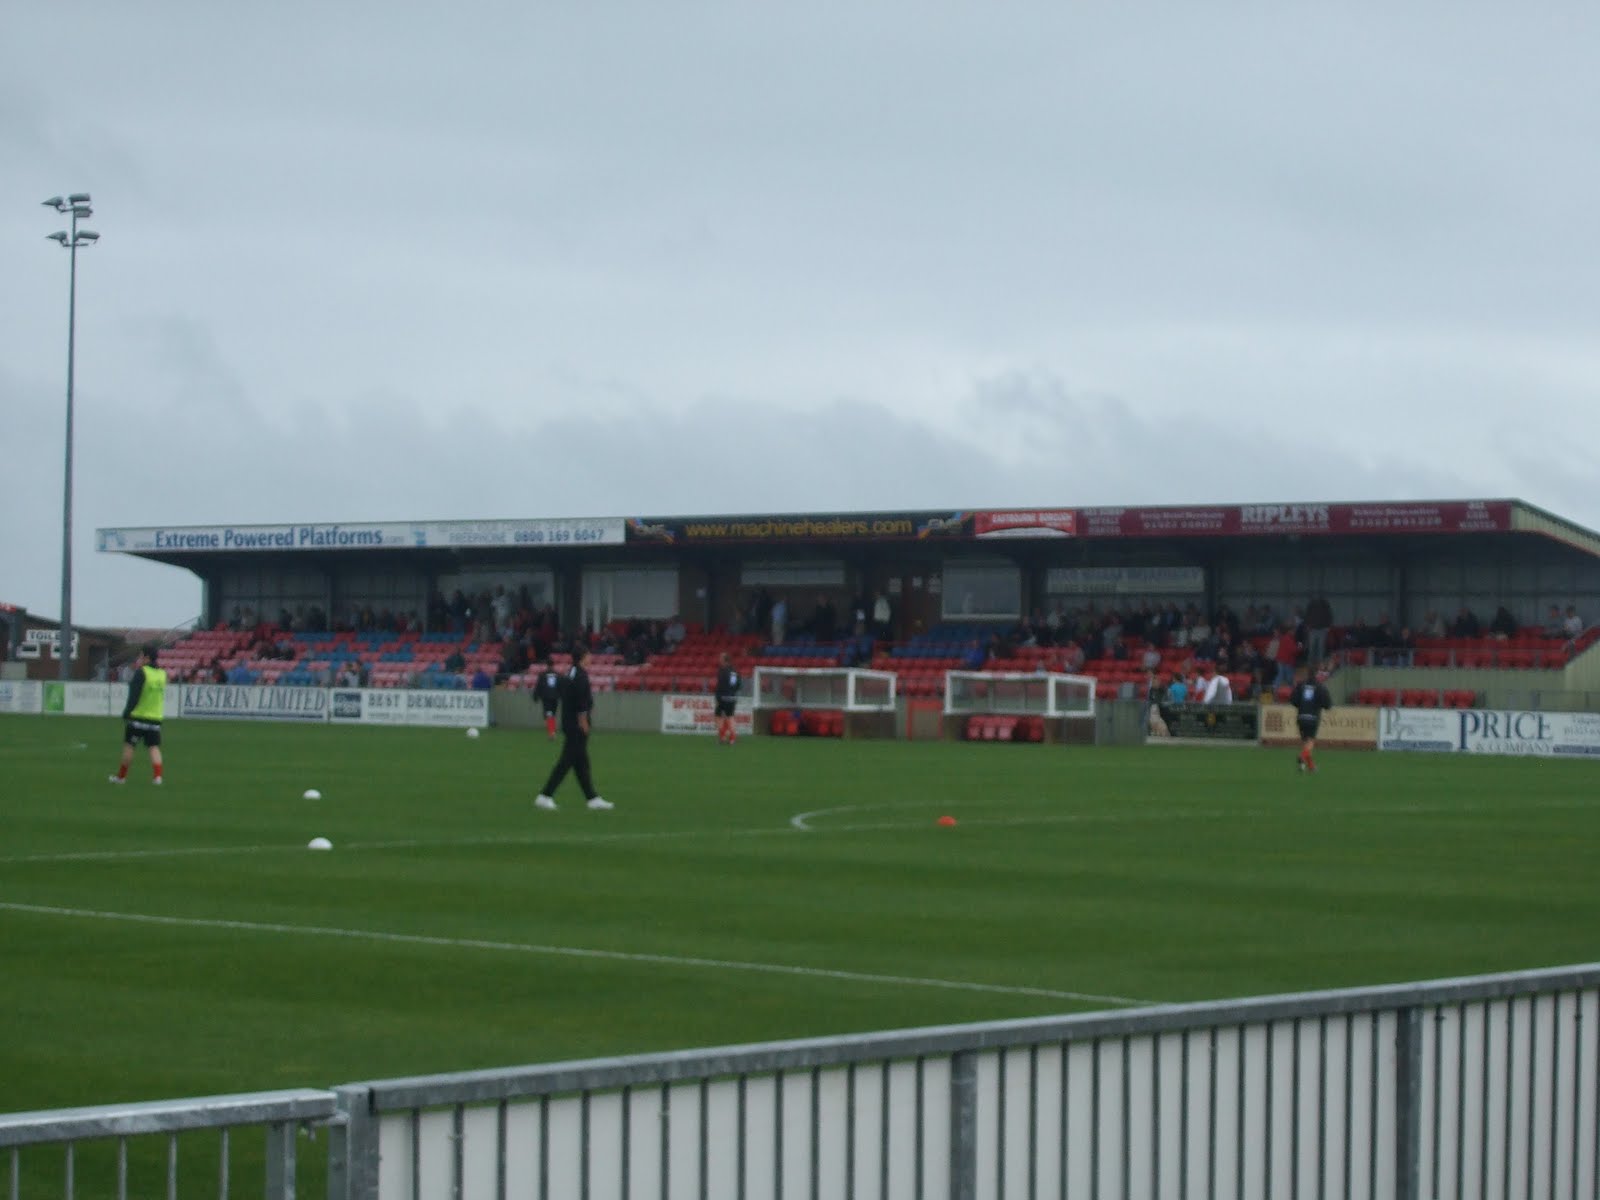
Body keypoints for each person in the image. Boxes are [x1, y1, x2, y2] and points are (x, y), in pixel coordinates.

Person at [534, 644, 612, 811]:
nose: (591, 658)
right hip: (576, 725)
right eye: (589, 655)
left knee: (581, 763)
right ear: (583, 657)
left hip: (569, 723)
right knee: (566, 761)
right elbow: (581, 702)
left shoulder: (570, 673)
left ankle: (592, 798)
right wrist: (583, 722)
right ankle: (545, 795)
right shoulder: (581, 676)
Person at [110, 644, 168, 785]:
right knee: (154, 747)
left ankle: (121, 777)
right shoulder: (162, 674)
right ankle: (158, 777)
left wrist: (127, 713)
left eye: (141, 656)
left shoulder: (142, 672)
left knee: (130, 746)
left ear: (147, 658)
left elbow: (134, 696)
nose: (139, 658)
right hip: (155, 717)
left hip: (139, 717)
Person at [1292, 667, 1334, 774]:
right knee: (1310, 742)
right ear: (1316, 675)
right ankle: (1302, 757)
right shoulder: (1320, 687)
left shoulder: (1300, 686)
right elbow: (1328, 705)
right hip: (1313, 718)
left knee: (1305, 742)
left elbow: (1293, 701)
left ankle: (1309, 767)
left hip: (1301, 717)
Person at [713, 651, 741, 745]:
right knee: (730, 716)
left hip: (722, 697)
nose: (719, 660)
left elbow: (720, 685)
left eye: (720, 658)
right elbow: (737, 684)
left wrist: (717, 696)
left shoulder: (722, 671)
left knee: (718, 716)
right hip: (732, 697)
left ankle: (722, 736)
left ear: (724, 660)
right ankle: (732, 738)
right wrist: (732, 693)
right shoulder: (734, 671)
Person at [532, 657, 563, 740]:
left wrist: (536, 696)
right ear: (553, 665)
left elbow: (539, 686)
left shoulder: (542, 675)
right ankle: (552, 731)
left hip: (546, 698)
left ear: (547, 665)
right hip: (555, 698)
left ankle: (551, 732)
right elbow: (561, 686)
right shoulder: (558, 675)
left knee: (549, 714)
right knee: (552, 714)